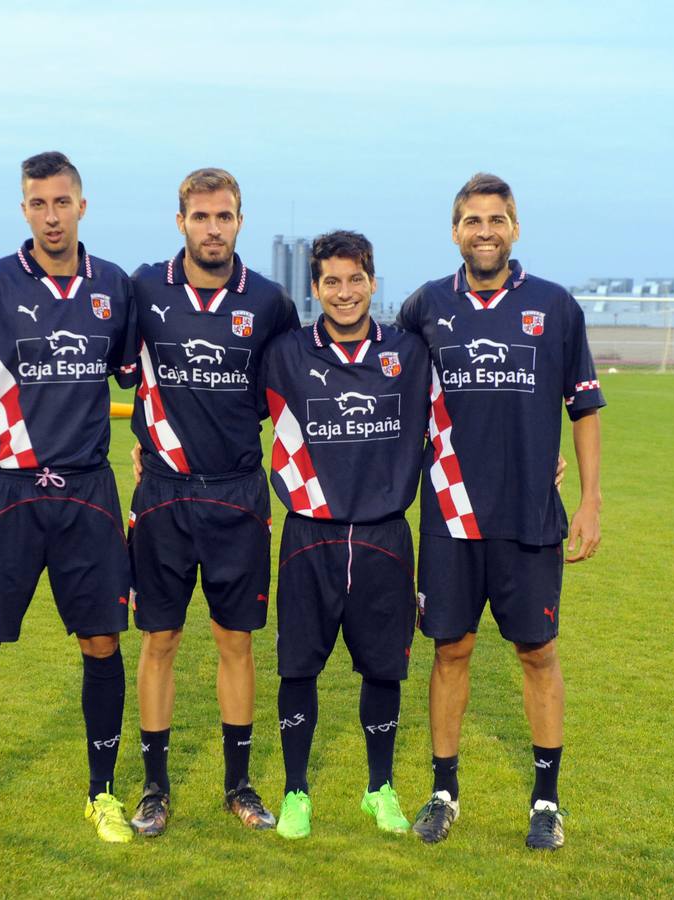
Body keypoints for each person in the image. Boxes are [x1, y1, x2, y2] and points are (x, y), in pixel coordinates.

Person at [0, 151, 139, 849]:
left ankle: (102, 794)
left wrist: (150, 448)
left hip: (88, 492)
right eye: (38, 204)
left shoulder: (113, 287)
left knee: (101, 641)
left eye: (62, 202)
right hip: (9, 492)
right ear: (24, 210)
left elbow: (144, 380)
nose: (51, 216)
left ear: (82, 206)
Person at [396, 173, 605, 851]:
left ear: (514, 228)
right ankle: (443, 792)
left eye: (496, 220)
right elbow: (389, 391)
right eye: (472, 221)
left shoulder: (554, 305)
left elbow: (583, 407)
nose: (484, 232)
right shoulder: (425, 306)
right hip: (451, 513)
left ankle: (546, 802)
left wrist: (590, 500)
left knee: (538, 652)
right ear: (454, 231)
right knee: (450, 649)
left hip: (529, 513)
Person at [125, 168, 299, 835]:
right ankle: (155, 789)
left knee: (235, 640)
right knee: (160, 638)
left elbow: (297, 390)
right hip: (163, 494)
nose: (213, 228)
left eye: (224, 216)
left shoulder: (271, 301)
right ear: (181, 223)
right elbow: (110, 366)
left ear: (240, 221)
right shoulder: (145, 289)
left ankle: (239, 785)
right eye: (200, 216)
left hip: (237, 494)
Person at [261, 230, 430, 840]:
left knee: (384, 669)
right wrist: (148, 449)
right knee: (297, 668)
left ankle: (379, 788)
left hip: (385, 534)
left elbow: (459, 420)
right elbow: (222, 412)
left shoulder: (408, 353)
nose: (344, 292)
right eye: (331, 281)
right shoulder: (284, 353)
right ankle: (296, 792)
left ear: (372, 283)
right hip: (310, 533)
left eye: (356, 279)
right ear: (315, 288)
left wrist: (541, 461)